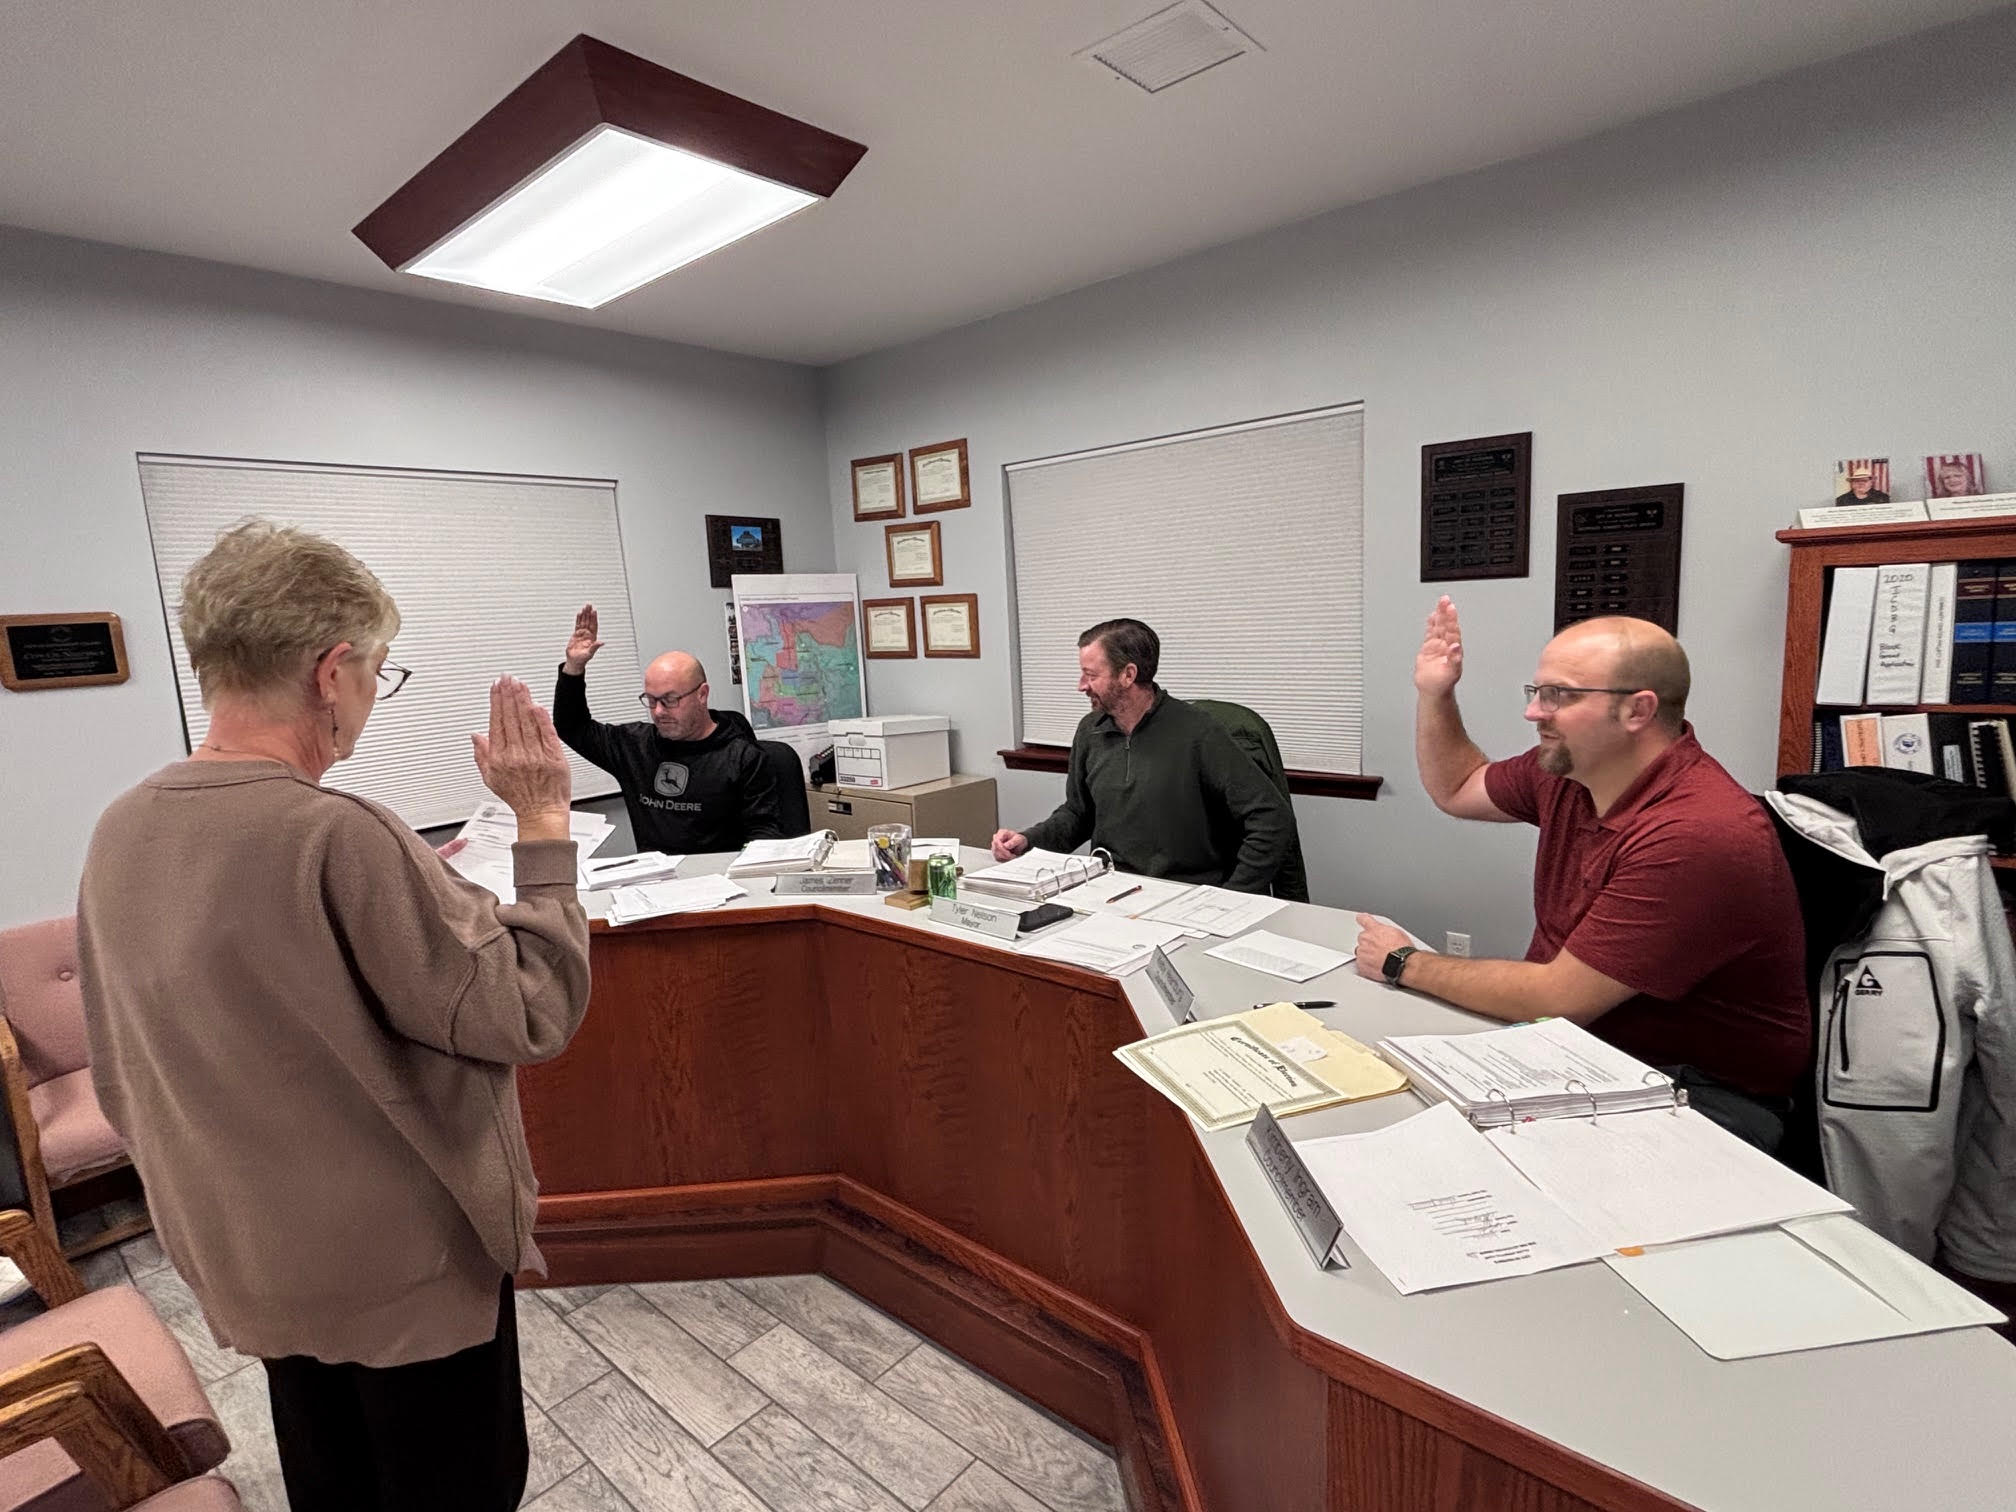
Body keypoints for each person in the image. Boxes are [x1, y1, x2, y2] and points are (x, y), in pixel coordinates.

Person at [76, 522, 590, 1512]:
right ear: (331, 670)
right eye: (380, 674)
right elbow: (533, 1013)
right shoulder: (338, 834)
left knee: (333, 1485)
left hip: (250, 1262)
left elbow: (129, 1066)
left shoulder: (122, 828)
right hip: (402, 1284)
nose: (369, 700)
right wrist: (541, 823)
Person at [1352, 598, 1811, 1151]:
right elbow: (1457, 787)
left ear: (1637, 711)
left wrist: (1404, 962)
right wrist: (1436, 692)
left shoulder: (1699, 830)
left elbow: (1558, 995)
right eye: (1537, 692)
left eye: (1558, 696)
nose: (1534, 713)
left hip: (1698, 1093)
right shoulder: (1571, 771)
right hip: (1573, 1050)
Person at [989, 618, 1292, 892]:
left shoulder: (1200, 732)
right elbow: (1079, 814)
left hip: (1182, 894)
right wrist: (1029, 841)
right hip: (1110, 888)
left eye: (1090, 675)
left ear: (1128, 674)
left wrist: (1233, 895)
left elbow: (1270, 818)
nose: (1081, 686)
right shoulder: (1090, 730)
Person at [554, 603, 786, 853]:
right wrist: (574, 669)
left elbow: (764, 836)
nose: (659, 712)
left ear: (702, 694)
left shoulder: (743, 757)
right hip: (655, 882)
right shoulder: (634, 746)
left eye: (670, 700)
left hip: (719, 882)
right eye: (651, 700)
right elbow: (572, 726)